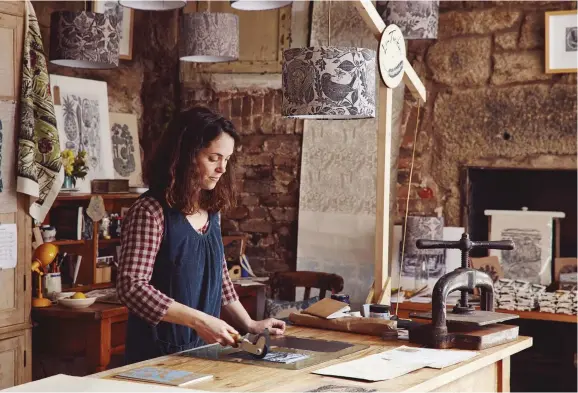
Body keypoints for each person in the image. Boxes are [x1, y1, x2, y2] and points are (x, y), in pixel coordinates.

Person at [117, 106, 286, 364]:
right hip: (155, 358)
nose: (222, 169)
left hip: (201, 354)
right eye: (213, 158)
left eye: (226, 160)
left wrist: (249, 323)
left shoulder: (211, 211)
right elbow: (132, 287)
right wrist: (201, 320)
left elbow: (218, 275)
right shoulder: (150, 211)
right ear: (184, 156)